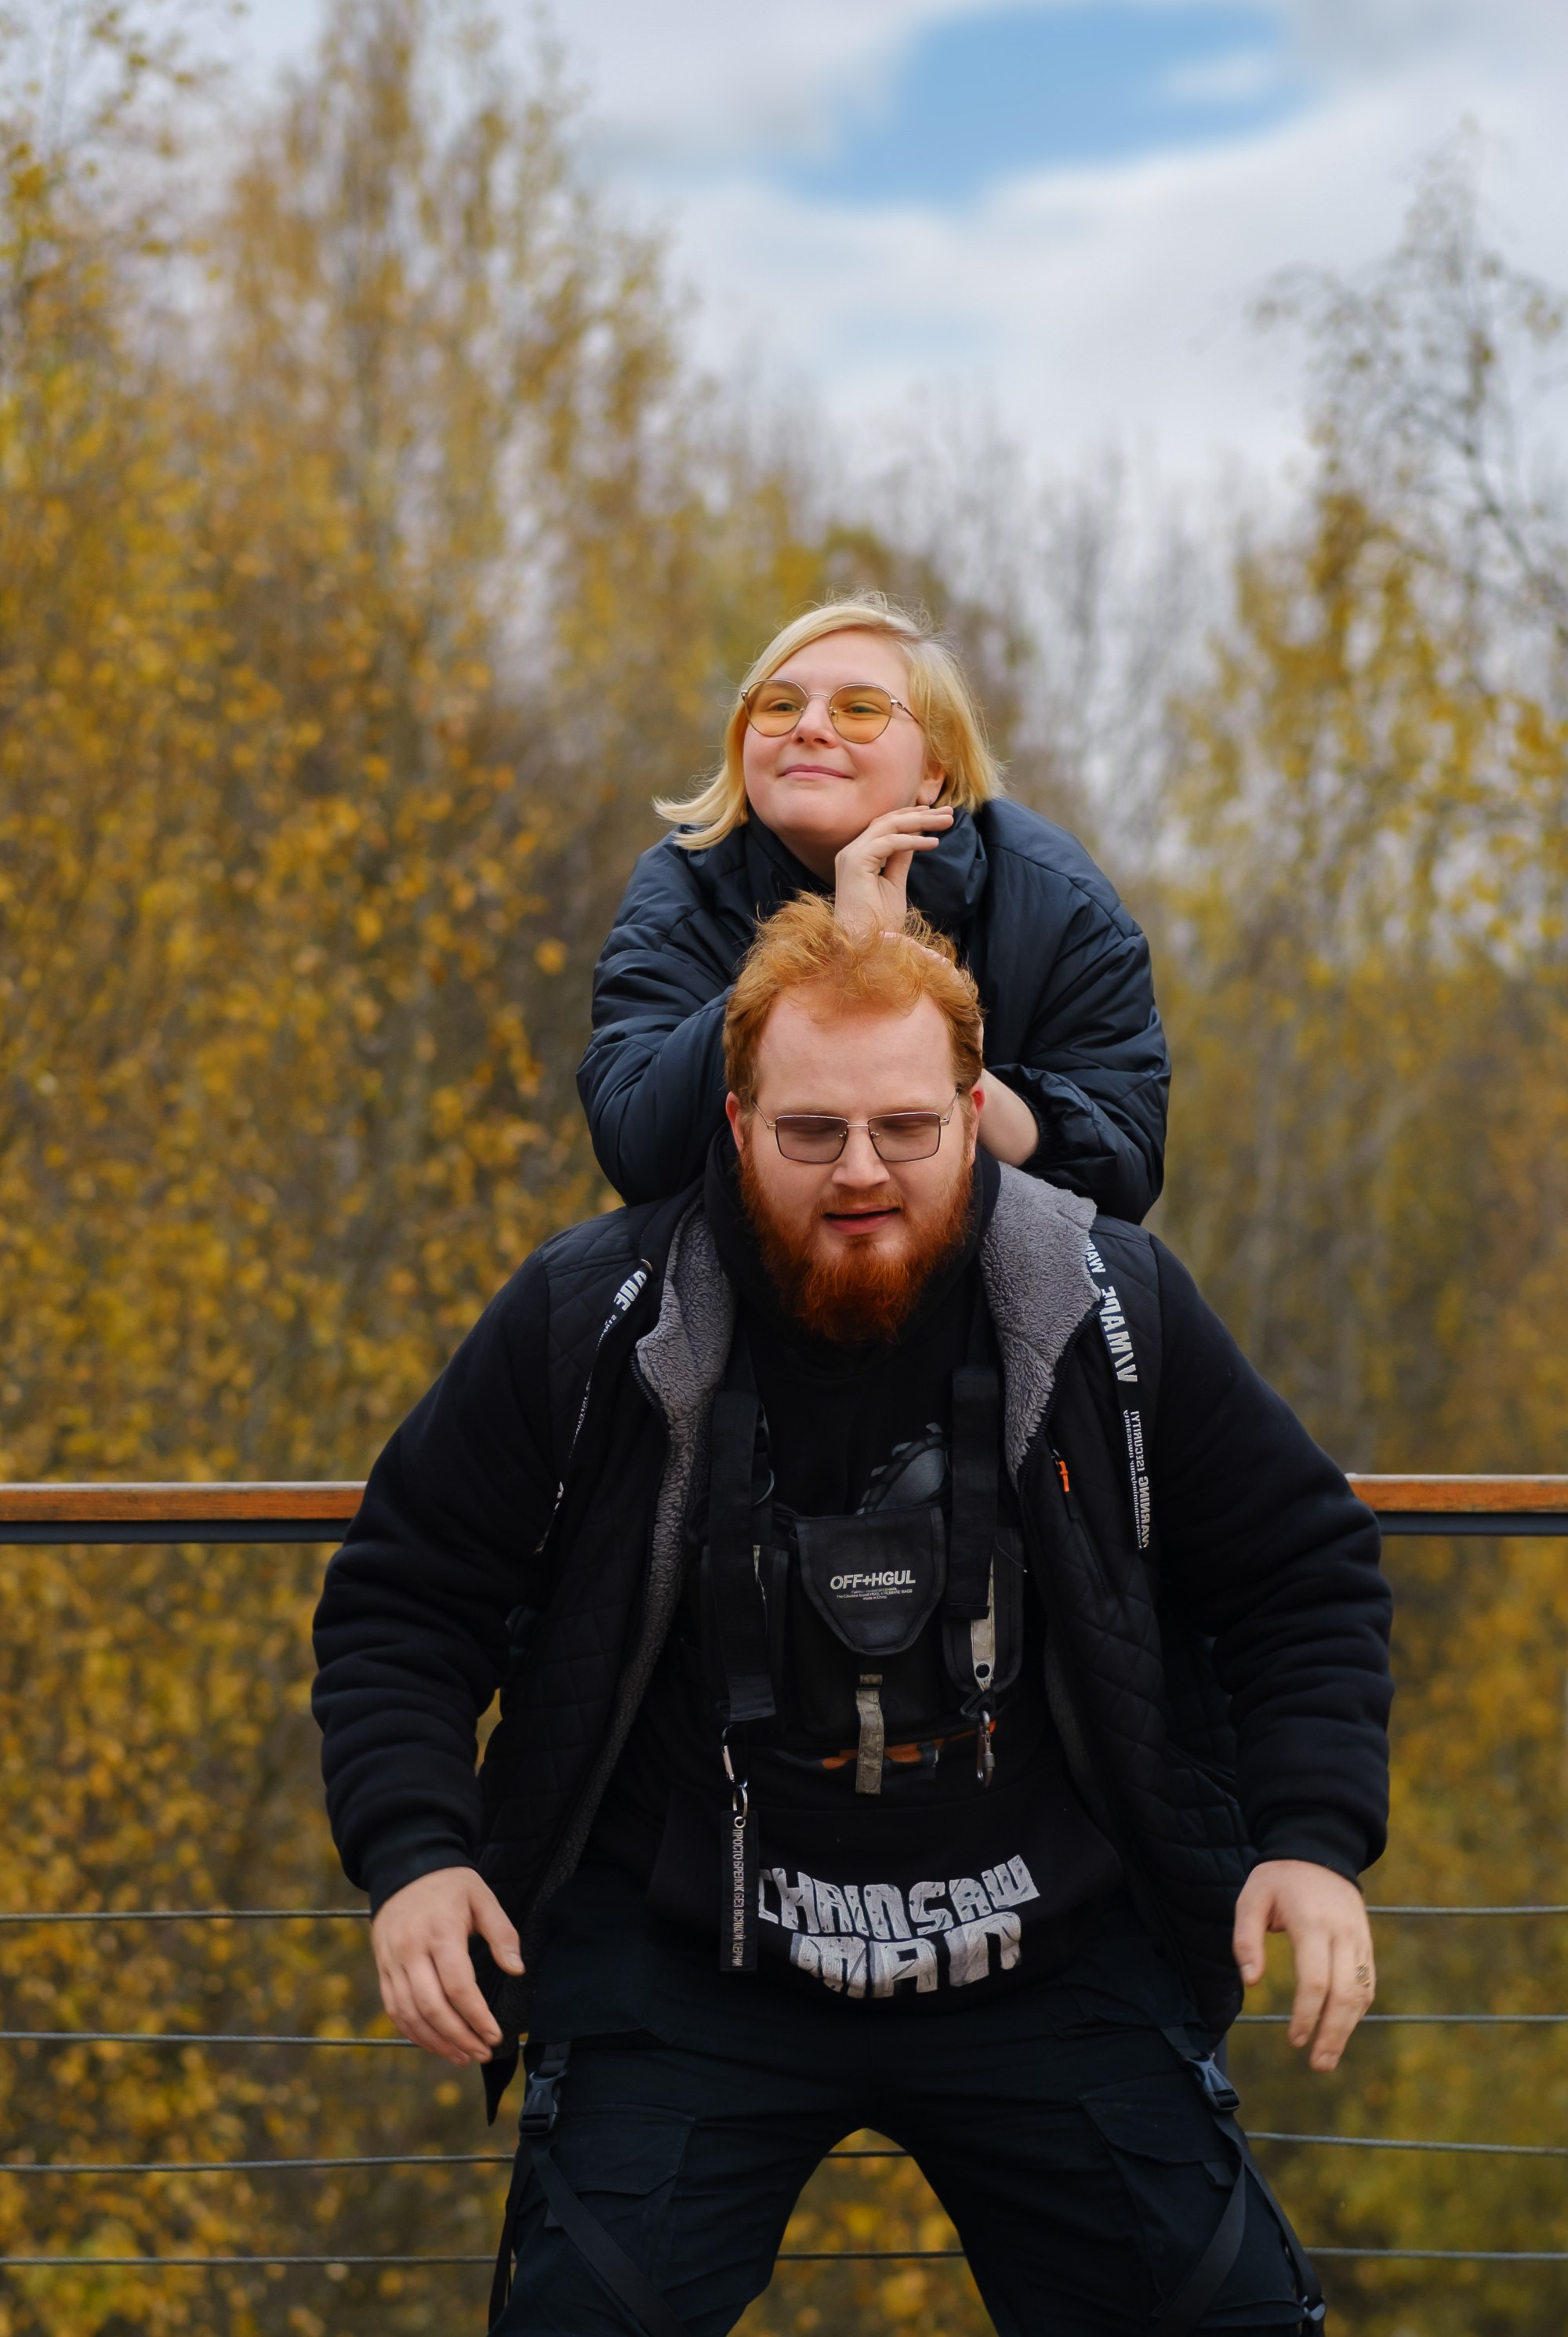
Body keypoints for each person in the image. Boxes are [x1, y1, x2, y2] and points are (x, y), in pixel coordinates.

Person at [314, 901, 1392, 2337]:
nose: (863, 1172)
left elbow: (1300, 1569)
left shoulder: (1103, 1303)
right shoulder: (597, 1313)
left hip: (1051, 1955)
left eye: (907, 1127)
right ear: (738, 1119)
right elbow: (407, 1591)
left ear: (973, 1109)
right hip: (689, 1964)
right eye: (813, 1133)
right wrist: (415, 1853)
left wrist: (1312, 1841)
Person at [578, 593, 1169, 1221]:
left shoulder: (1057, 903)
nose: (809, 726)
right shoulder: (681, 885)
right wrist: (823, 952)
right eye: (779, 705)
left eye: (859, 710)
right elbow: (638, 1154)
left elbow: (1121, 1180)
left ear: (932, 771)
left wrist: (960, 1073)